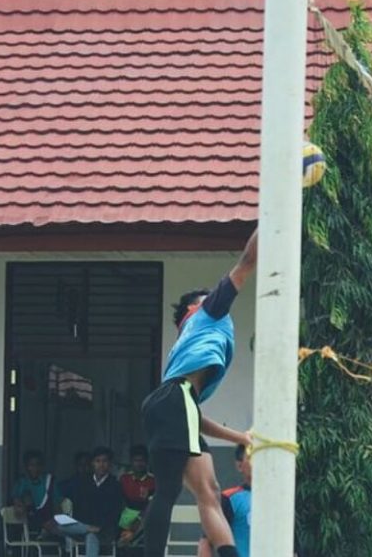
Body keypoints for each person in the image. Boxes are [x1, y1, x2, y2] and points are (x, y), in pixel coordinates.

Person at [142, 228, 258, 557]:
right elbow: (246, 262)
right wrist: (271, 219)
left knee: (209, 491)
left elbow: (192, 417)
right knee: (167, 490)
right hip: (173, 401)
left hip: (175, 403)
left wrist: (240, 437)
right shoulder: (207, 314)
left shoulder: (186, 347)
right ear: (194, 309)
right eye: (207, 296)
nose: (216, 297)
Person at [58, 447, 124, 557]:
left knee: (91, 536)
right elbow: (79, 508)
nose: (101, 465)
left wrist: (98, 527)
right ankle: (88, 529)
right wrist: (86, 527)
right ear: (92, 463)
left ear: (110, 464)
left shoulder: (115, 486)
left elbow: (114, 513)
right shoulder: (84, 482)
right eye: (98, 461)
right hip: (83, 527)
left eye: (104, 461)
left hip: (104, 531)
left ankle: (89, 530)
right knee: (59, 523)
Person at [197, 445, 252, 557]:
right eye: (252, 456)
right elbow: (206, 542)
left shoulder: (284, 500)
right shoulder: (229, 499)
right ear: (239, 465)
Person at [11, 449, 59, 536]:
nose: (35, 468)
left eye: (38, 465)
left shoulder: (49, 481)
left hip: (50, 522)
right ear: (26, 466)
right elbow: (17, 502)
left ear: (42, 466)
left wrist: (55, 519)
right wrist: (20, 506)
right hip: (29, 523)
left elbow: (57, 504)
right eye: (31, 465)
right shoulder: (22, 482)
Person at [118, 445, 155, 546]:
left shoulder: (153, 480)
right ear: (131, 462)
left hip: (144, 515)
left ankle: (130, 539)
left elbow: (152, 503)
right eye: (136, 461)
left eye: (142, 461)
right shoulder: (124, 478)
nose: (139, 464)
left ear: (147, 462)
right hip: (125, 515)